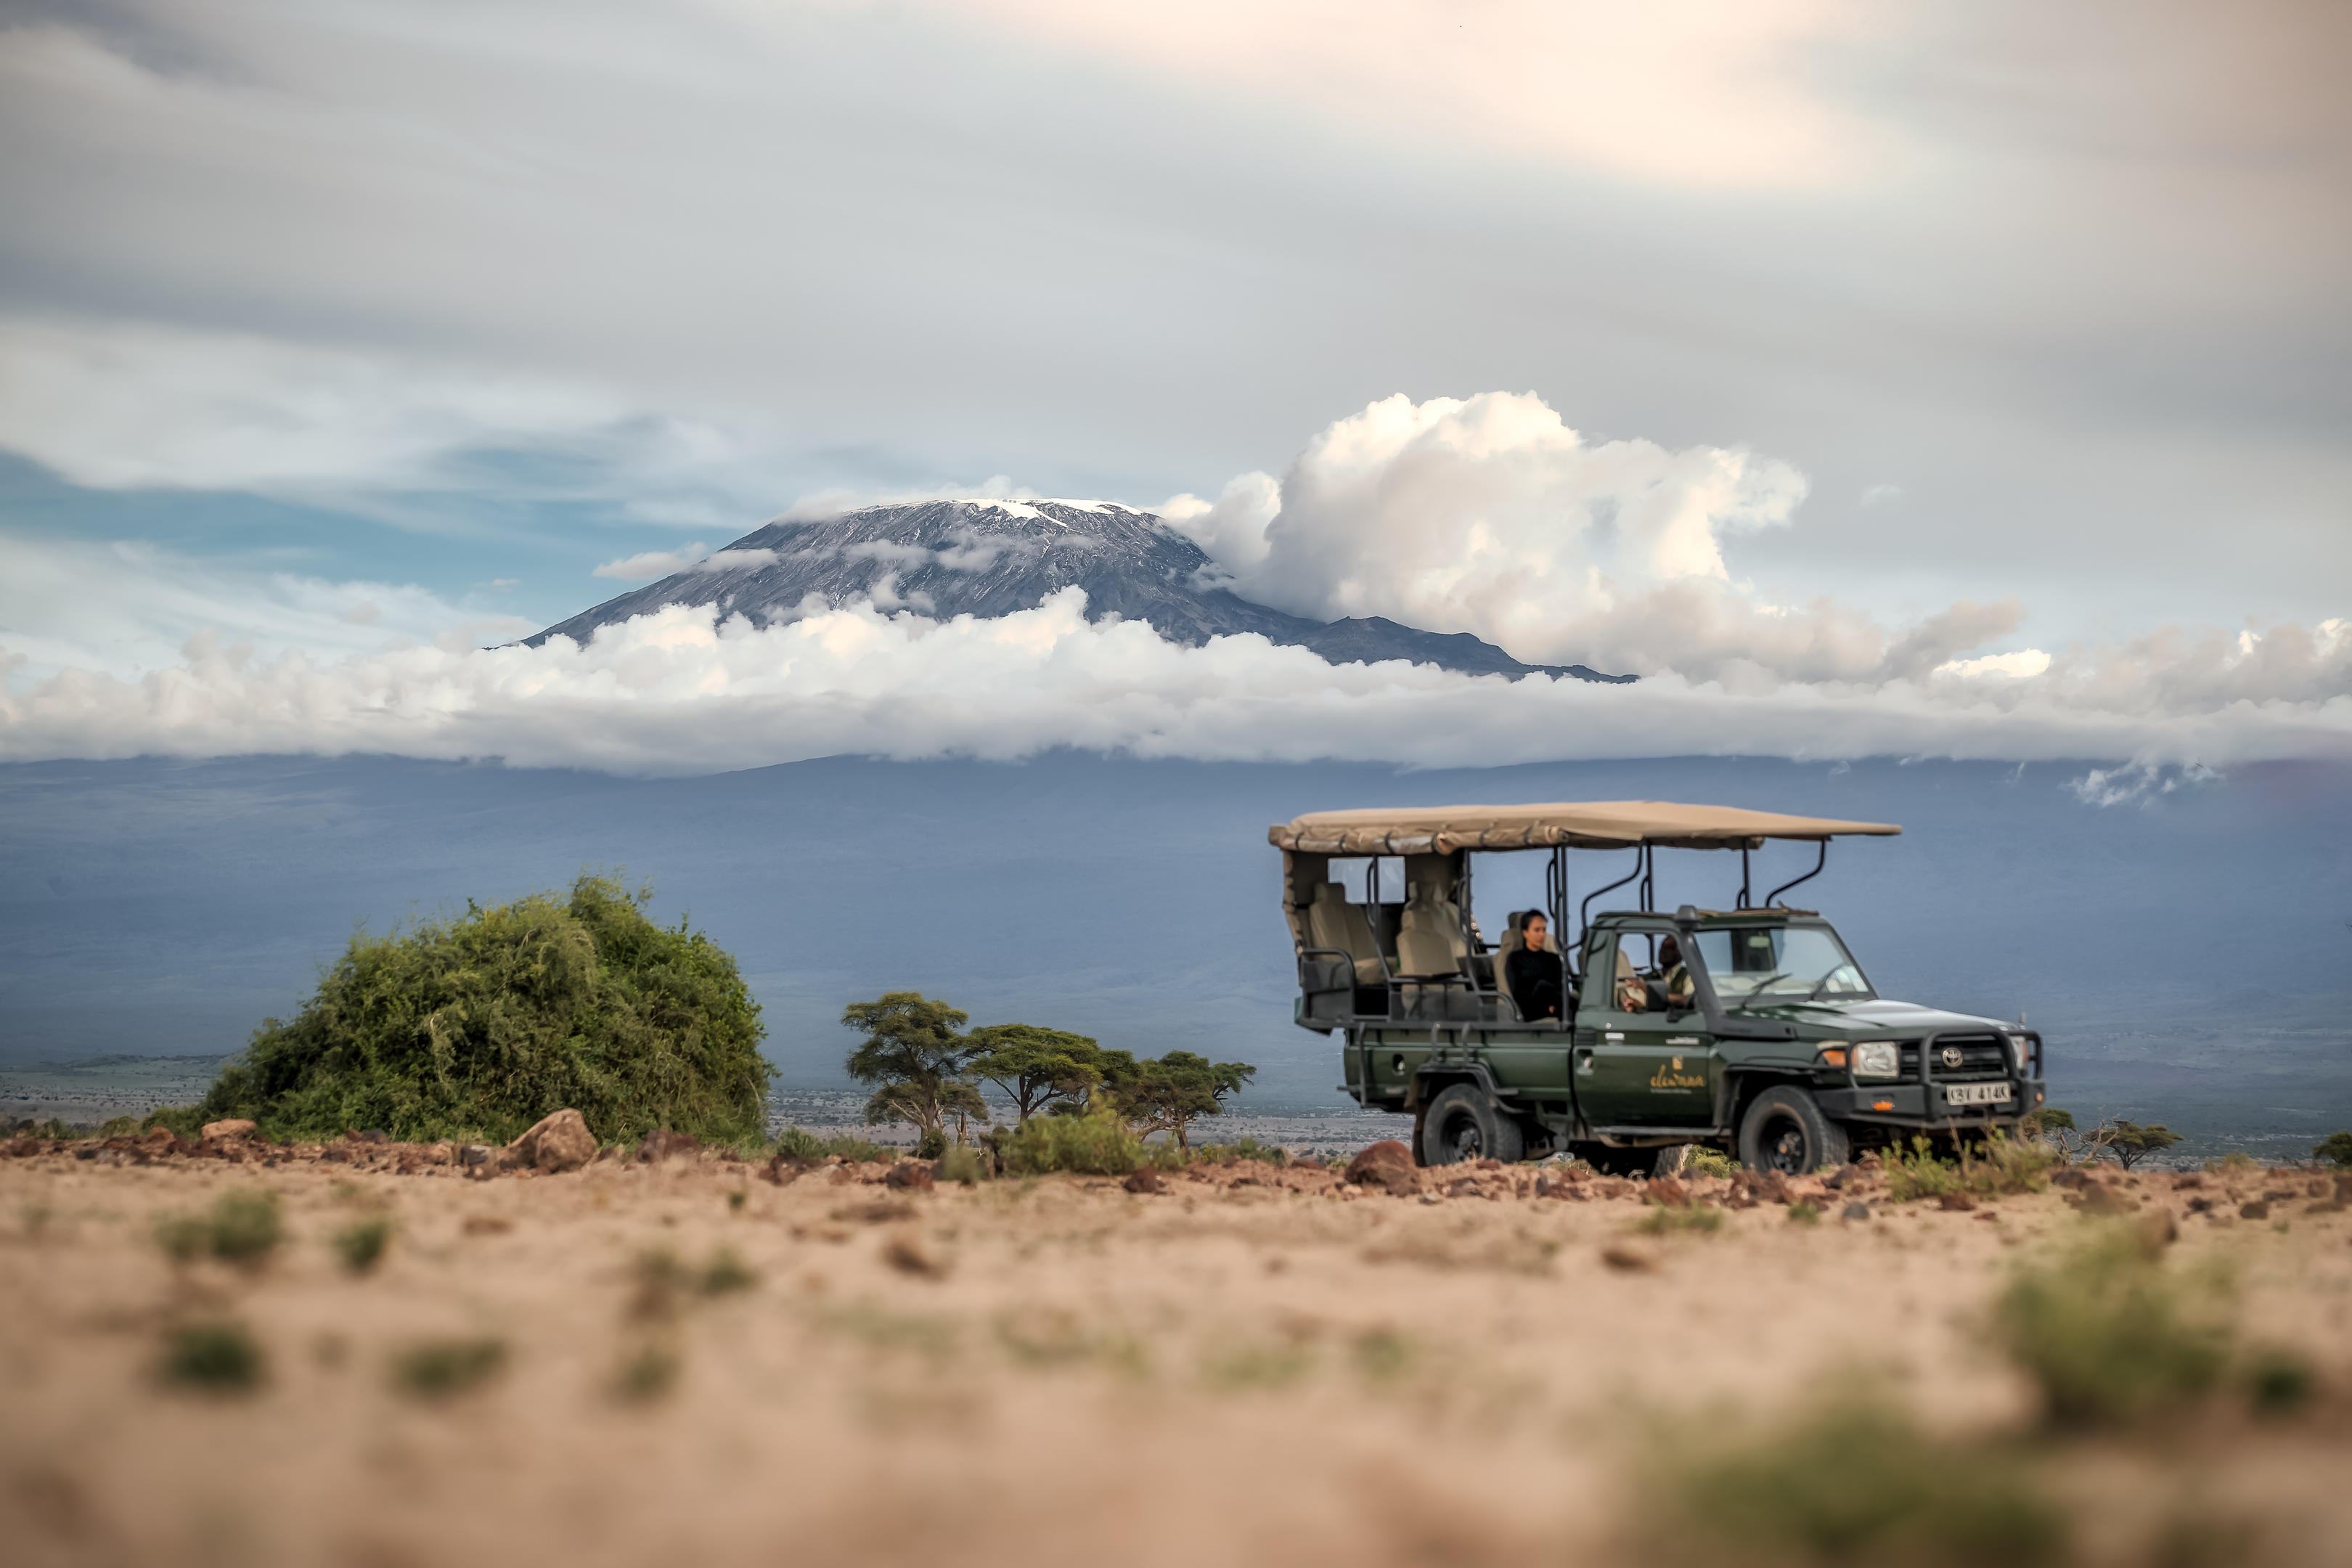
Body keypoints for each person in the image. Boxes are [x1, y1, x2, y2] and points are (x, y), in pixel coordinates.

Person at [1506, 911, 1565, 1021]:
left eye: (1544, 930)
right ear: (1525, 933)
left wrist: (1553, 1004)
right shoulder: (1515, 959)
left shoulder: (1554, 959)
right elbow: (1517, 992)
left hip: (1557, 1005)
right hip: (1531, 1009)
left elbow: (1559, 987)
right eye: (1537, 930)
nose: (1542, 935)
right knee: (1542, 986)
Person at [1649, 934, 1696, 1011]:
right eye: (1662, 946)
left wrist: (1648, 990)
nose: (1662, 951)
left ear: (1680, 953)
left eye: (1669, 948)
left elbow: (1688, 999)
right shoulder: (1651, 976)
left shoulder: (1688, 975)